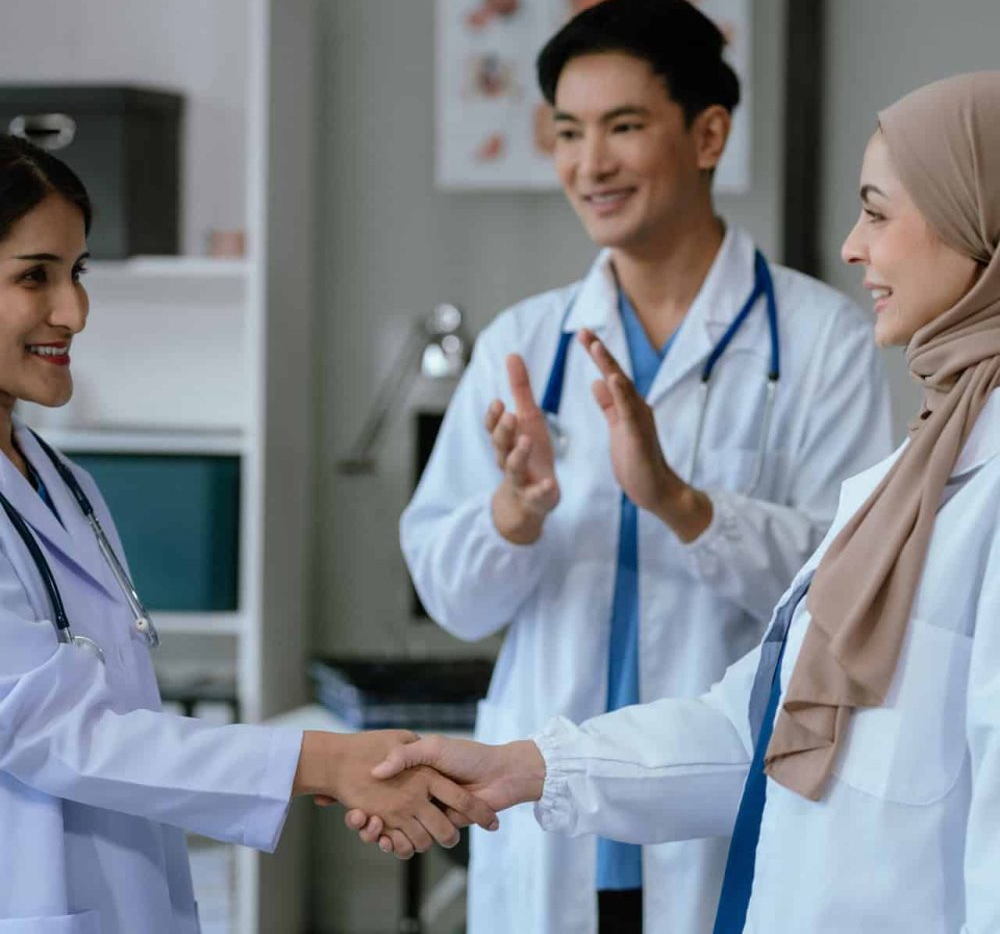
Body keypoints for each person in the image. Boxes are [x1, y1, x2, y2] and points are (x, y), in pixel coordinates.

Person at [359, 71, 1000, 933]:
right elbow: (767, 719)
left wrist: (677, 502)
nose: (852, 246)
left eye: (878, 213)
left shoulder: (842, 364)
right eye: (567, 131)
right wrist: (524, 767)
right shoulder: (926, 463)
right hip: (621, 826)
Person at [0, 134, 498, 934]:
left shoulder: (67, 483)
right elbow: (55, 732)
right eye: (35, 276)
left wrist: (328, 761)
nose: (75, 311)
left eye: (78, 272)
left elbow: (118, 728)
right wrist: (321, 760)